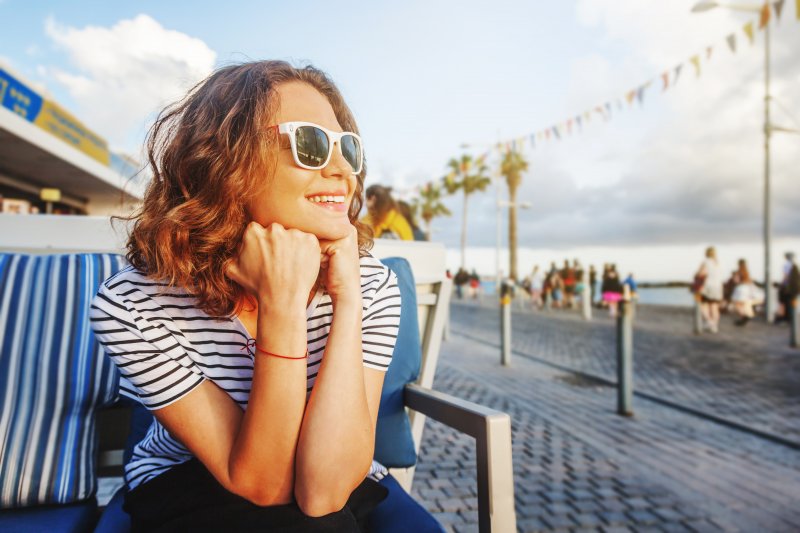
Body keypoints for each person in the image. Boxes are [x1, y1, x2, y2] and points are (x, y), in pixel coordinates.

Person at [89, 61, 401, 531]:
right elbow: (267, 484)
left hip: (337, 475)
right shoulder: (133, 304)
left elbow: (325, 490)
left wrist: (349, 301)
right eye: (310, 144)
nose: (341, 170)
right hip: (188, 479)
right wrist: (283, 306)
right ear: (225, 162)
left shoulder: (369, 284)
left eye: (348, 149)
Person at [696, 246, 724, 333]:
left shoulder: (705, 262)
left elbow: (700, 273)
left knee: (702, 305)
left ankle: (709, 322)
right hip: (718, 287)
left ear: (706, 253)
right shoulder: (717, 263)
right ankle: (714, 326)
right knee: (714, 307)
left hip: (707, 286)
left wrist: (697, 275)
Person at [730, 259, 761, 326]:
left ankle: (744, 317)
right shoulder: (746, 271)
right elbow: (749, 280)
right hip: (747, 288)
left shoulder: (739, 271)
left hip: (740, 288)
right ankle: (744, 318)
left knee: (737, 304)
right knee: (743, 304)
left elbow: (736, 280)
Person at [776, 252, 800, 323]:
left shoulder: (787, 265)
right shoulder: (795, 265)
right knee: (791, 303)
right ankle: (791, 318)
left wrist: (783, 285)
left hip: (789, 289)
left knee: (787, 303)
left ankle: (788, 318)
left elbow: (786, 277)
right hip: (795, 288)